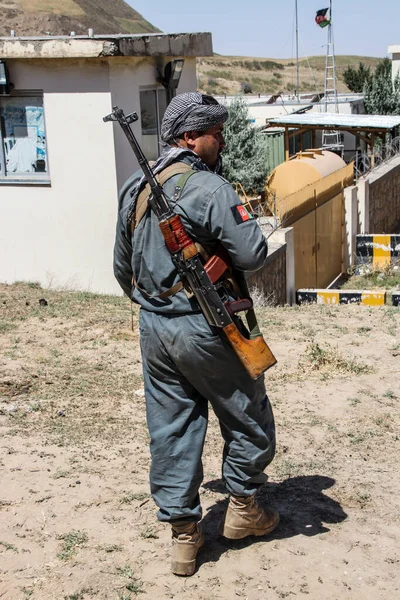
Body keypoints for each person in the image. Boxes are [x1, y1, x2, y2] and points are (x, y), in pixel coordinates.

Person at [113, 92, 278, 577]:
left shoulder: (134, 188)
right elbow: (252, 254)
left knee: (171, 429)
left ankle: (184, 537)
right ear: (190, 137)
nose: (221, 140)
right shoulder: (212, 189)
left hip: (154, 329)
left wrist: (158, 306)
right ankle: (244, 508)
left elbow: (123, 269)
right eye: (215, 133)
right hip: (207, 327)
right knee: (248, 413)